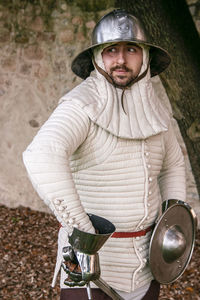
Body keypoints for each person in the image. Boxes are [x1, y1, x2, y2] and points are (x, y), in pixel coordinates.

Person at [23, 9, 186, 300]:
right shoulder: (80, 105)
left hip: (148, 268)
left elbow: (173, 165)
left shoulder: (157, 111)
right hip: (91, 272)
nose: (121, 60)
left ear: (145, 56)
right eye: (111, 50)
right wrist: (83, 234)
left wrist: (171, 230)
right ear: (98, 56)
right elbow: (42, 155)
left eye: (131, 49)